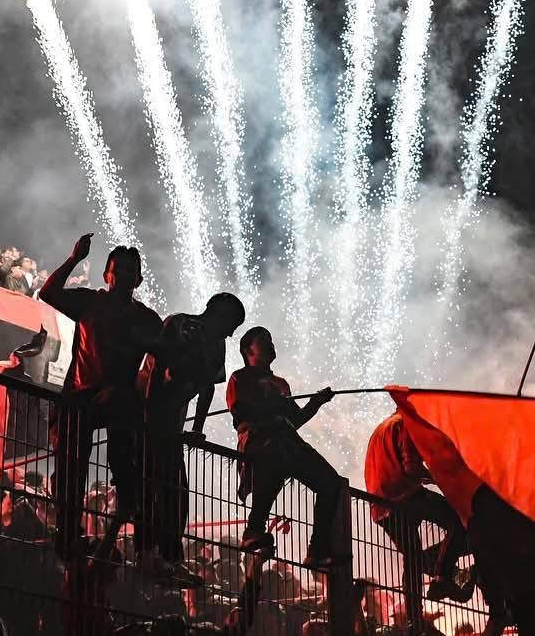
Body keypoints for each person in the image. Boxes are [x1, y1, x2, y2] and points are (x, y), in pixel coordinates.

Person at [38, 234, 163, 558]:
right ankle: (69, 534)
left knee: (126, 463)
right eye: (118, 269)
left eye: (131, 270)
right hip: (80, 397)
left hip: (119, 402)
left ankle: (130, 523)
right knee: (71, 465)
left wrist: (132, 393)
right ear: (107, 275)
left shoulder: (146, 319)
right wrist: (74, 258)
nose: (124, 275)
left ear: (139, 279)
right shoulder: (89, 302)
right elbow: (48, 293)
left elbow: (162, 360)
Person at [140, 292, 245, 576]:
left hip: (171, 425)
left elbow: (208, 386)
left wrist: (196, 429)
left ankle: (169, 558)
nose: (231, 332)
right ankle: (149, 554)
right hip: (149, 415)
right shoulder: (179, 324)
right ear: (219, 313)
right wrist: (148, 416)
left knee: (175, 491)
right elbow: (156, 370)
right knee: (150, 485)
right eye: (232, 324)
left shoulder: (217, 345)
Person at [225, 326, 344, 569]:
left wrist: (315, 403)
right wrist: (273, 406)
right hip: (262, 441)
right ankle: (254, 528)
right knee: (276, 458)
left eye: (270, 339)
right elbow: (241, 414)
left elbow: (294, 420)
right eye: (263, 340)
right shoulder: (240, 377)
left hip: (286, 442)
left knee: (331, 482)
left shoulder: (280, 383)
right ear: (248, 350)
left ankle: (317, 549)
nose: (270, 343)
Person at [365, 411, 476, 605]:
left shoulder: (381, 430)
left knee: (413, 558)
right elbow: (412, 468)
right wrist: (439, 478)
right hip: (404, 496)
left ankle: (414, 615)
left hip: (380, 505)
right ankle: (443, 577)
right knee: (459, 518)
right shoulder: (406, 425)